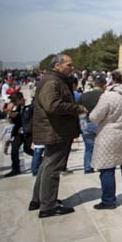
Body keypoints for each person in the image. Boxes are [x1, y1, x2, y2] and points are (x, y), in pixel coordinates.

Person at [29, 54, 87, 217]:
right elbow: (53, 105)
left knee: (47, 164)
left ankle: (40, 199)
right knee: (53, 167)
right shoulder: (52, 81)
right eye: (69, 65)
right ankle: (48, 206)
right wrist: (77, 109)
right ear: (57, 66)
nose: (72, 68)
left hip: (55, 129)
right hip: (55, 130)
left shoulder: (54, 79)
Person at [90, 66, 122, 209]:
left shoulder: (109, 96)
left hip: (110, 136)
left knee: (107, 168)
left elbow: (94, 117)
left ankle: (109, 201)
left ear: (115, 79)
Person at [78, 75, 107, 174]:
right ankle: (101, 166)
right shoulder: (104, 96)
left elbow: (78, 110)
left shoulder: (84, 95)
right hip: (100, 124)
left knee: (89, 148)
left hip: (85, 124)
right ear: (104, 86)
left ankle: (88, 168)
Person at [5, 92, 33, 177]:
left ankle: (41, 159)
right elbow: (11, 121)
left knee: (27, 149)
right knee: (14, 148)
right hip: (18, 132)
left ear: (21, 99)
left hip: (28, 132)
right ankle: (15, 169)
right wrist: (10, 113)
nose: (13, 102)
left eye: (14, 100)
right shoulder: (17, 108)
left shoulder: (30, 106)